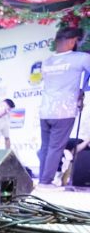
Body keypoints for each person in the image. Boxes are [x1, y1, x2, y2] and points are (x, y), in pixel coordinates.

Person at [37, 26, 90, 187]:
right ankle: (46, 182)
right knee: (55, 148)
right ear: (74, 41)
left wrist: (80, 90)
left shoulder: (47, 61)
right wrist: (81, 92)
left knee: (46, 147)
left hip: (45, 110)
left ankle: (41, 181)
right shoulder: (81, 58)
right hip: (64, 110)